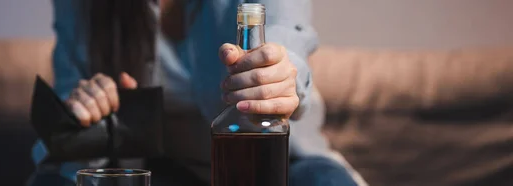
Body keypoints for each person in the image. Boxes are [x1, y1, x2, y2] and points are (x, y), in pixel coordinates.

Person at [28, 0, 359, 185]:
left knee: (324, 181)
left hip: (276, 167)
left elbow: (287, 36)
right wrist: (87, 113)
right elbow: (63, 133)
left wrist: (281, 76)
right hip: (156, 171)